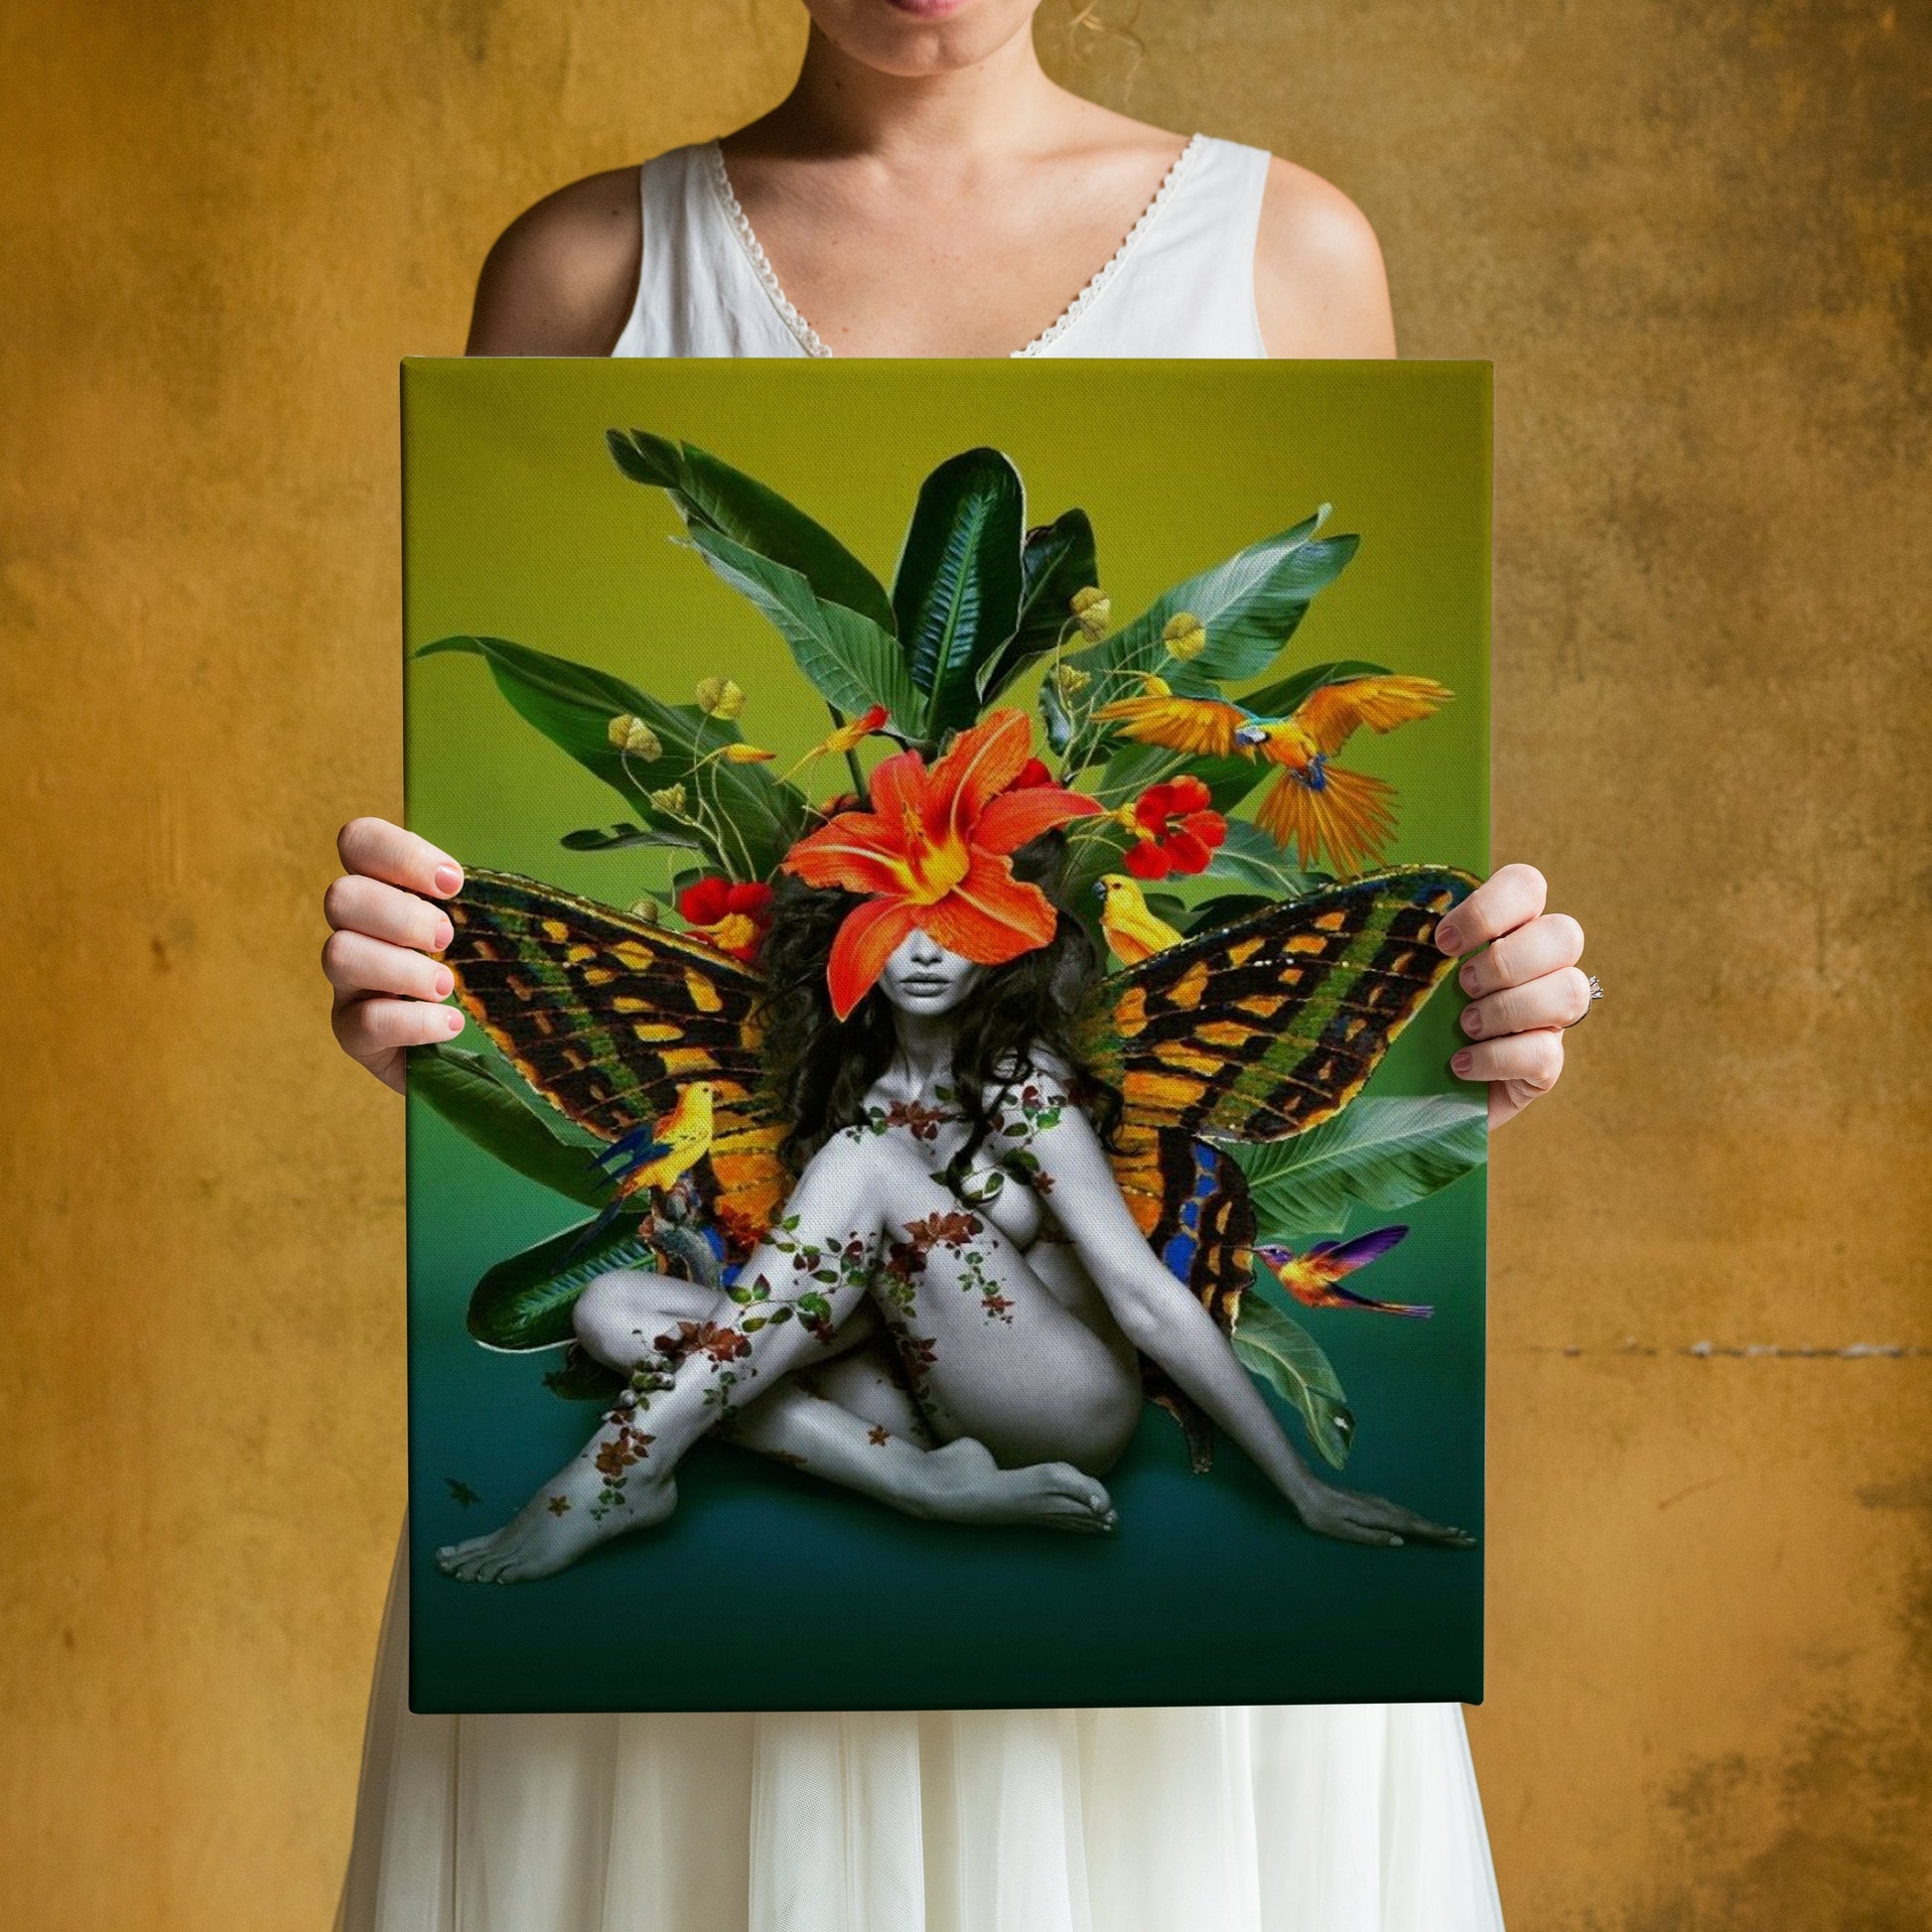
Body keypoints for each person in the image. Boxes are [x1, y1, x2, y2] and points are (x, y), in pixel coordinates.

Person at [327, 5, 1594, 1926]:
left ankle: (648, 1482)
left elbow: (1173, 1255)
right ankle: (878, 1481)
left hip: (1036, 1402)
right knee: (612, 1314)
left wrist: (1472, 1001)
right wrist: (432, 1003)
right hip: (853, 1378)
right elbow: (503, 893)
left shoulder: (1285, 253)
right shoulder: (590, 269)